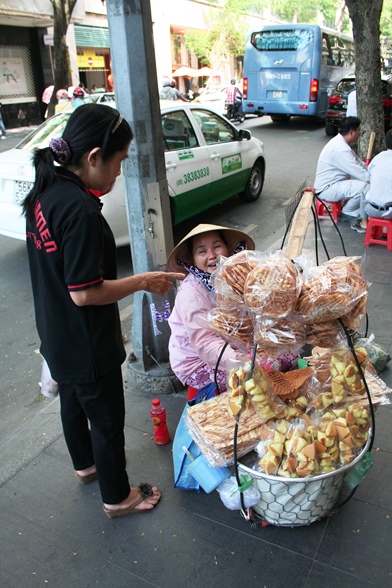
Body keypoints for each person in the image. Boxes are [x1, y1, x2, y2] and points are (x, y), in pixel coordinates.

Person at [21, 103, 184, 518]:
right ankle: (118, 497)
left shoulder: (47, 190)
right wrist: (144, 281)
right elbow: (85, 292)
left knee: (73, 404)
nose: (118, 173)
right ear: (94, 157)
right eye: (119, 162)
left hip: (56, 334)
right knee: (108, 421)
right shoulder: (80, 210)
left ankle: (85, 466)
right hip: (87, 340)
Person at [166, 224, 255, 402]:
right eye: (202, 251)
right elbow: (205, 343)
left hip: (228, 344)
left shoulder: (232, 275)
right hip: (196, 362)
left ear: (227, 249)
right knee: (256, 377)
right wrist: (243, 361)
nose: (212, 255)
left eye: (216, 246)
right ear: (193, 259)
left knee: (283, 356)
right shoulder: (192, 293)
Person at [314, 116, 370, 221]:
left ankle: (349, 210)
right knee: (365, 187)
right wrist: (377, 180)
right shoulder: (340, 149)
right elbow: (360, 173)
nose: (359, 133)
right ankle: (347, 212)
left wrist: (371, 169)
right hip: (327, 189)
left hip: (333, 185)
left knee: (364, 186)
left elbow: (359, 163)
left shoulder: (341, 143)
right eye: (358, 130)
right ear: (351, 132)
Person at [351, 129, 392, 233]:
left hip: (372, 209)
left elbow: (369, 179)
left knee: (366, 189)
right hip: (390, 210)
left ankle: (364, 223)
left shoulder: (377, 158)